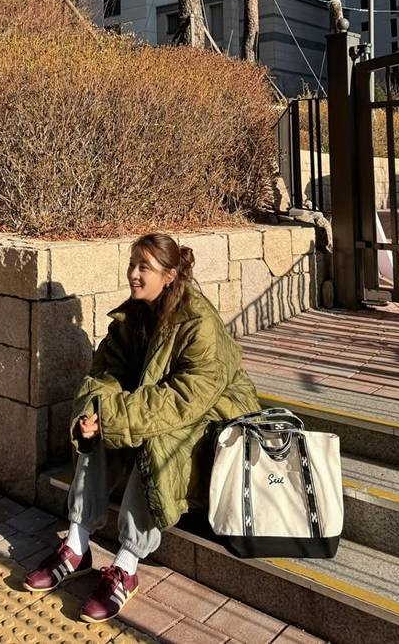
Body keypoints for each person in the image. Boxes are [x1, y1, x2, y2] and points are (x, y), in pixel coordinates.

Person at [23, 232, 259, 623]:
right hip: (162, 407)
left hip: (214, 416)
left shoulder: (198, 322)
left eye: (144, 267)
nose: (134, 273)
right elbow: (106, 372)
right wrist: (95, 413)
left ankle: (127, 565)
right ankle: (77, 545)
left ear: (169, 276)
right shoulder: (132, 316)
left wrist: (116, 417)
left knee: (155, 439)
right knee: (98, 423)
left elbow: (185, 398)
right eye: (132, 264)